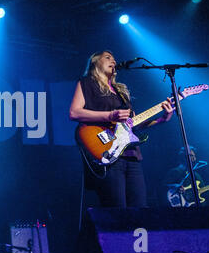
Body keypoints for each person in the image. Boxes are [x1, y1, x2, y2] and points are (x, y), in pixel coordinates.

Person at [69, 50, 174, 208]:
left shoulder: (121, 91)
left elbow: (135, 124)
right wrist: (110, 115)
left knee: (140, 209)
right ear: (94, 63)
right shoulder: (87, 83)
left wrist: (163, 118)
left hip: (132, 155)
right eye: (107, 57)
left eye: (114, 58)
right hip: (108, 152)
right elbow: (74, 112)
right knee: (117, 210)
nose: (113, 60)